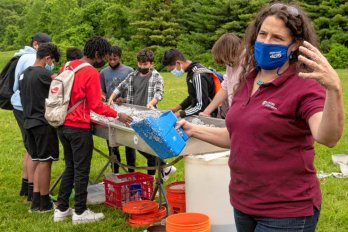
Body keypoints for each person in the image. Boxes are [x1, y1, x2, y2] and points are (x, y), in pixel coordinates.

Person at [176, 3, 344, 232]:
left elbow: (328, 137)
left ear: (294, 45)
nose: (266, 42)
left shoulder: (305, 84)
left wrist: (334, 89)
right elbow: (238, 135)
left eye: (277, 37)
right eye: (263, 34)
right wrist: (194, 130)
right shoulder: (249, 78)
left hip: (286, 212)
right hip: (243, 204)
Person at [53, 36, 133, 224]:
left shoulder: (68, 66)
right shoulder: (90, 72)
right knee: (81, 169)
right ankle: (80, 212)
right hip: (78, 127)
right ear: (97, 54)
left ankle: (62, 208)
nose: (105, 60)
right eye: (104, 56)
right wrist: (117, 115)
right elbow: (97, 105)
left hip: (62, 124)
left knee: (70, 166)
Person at [108, 48, 176, 180]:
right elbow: (121, 86)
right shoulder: (133, 75)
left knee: (149, 145)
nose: (142, 67)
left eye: (145, 64)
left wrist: (152, 102)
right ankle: (164, 167)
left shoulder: (157, 76)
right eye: (140, 64)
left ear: (151, 64)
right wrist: (112, 97)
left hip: (149, 115)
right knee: (138, 145)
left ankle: (153, 176)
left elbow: (159, 93)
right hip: (133, 114)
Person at [20, 43, 61, 213]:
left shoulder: (25, 73)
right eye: (52, 61)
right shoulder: (44, 74)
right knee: (46, 162)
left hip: (28, 121)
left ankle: (36, 200)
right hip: (42, 124)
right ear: (47, 58)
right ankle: (44, 202)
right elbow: (60, 86)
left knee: (37, 160)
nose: (51, 64)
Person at [11, 32, 52, 201]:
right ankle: (35, 194)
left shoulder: (22, 57)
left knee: (29, 149)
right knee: (36, 152)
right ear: (36, 44)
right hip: (30, 109)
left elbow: (15, 86)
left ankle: (26, 187)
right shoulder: (31, 59)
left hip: (20, 105)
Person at [100, 45, 135, 174]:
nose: (112, 59)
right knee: (112, 143)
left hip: (127, 110)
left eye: (115, 57)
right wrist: (103, 97)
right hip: (111, 111)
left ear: (120, 57)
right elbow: (102, 90)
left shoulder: (129, 70)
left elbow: (134, 91)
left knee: (130, 144)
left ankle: (131, 172)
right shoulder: (103, 72)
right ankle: (115, 172)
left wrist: (124, 99)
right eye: (110, 58)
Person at [161, 48, 217, 118]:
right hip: (200, 114)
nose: (172, 72)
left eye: (172, 69)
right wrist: (176, 108)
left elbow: (200, 106)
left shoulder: (198, 75)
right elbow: (193, 96)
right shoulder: (191, 72)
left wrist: (178, 115)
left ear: (178, 63)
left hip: (210, 116)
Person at [199, 33, 243, 118]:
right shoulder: (231, 64)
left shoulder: (249, 65)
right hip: (234, 113)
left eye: (225, 60)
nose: (226, 64)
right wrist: (206, 112)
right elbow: (225, 88)